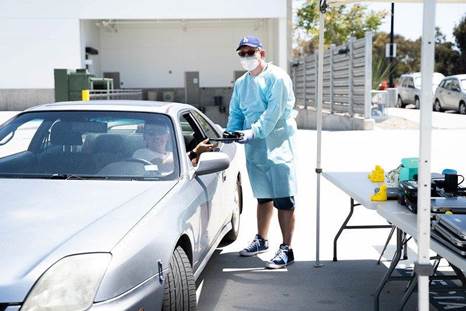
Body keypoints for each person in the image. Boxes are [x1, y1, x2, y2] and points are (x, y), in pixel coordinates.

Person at [226, 35, 298, 269]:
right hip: (255, 148)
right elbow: (236, 112)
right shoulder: (241, 84)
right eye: (242, 53)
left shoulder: (278, 78)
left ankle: (287, 249)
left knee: (284, 198)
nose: (246, 57)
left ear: (262, 53)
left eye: (250, 52)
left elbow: (273, 113)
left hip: (278, 144)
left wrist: (253, 132)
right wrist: (232, 132)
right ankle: (262, 240)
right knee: (263, 195)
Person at [133, 121, 214, 170]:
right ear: (144, 137)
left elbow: (192, 165)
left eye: (161, 132)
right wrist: (195, 151)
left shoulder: (173, 155)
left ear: (167, 136)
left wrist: (200, 154)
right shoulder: (141, 153)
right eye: (151, 133)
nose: (156, 136)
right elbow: (161, 165)